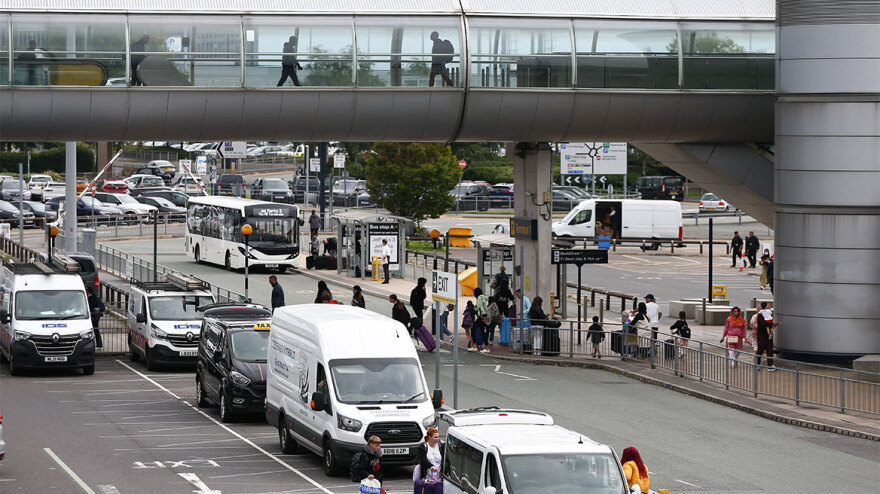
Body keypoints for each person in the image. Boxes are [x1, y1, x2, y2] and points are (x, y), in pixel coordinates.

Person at [755, 302, 777, 371]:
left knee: (770, 350)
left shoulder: (769, 314)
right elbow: (763, 323)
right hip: (762, 336)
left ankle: (770, 365)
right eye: (768, 305)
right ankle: (757, 365)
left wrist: (773, 324)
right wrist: (771, 323)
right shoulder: (760, 315)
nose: (769, 306)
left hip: (769, 336)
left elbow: (769, 323)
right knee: (760, 350)